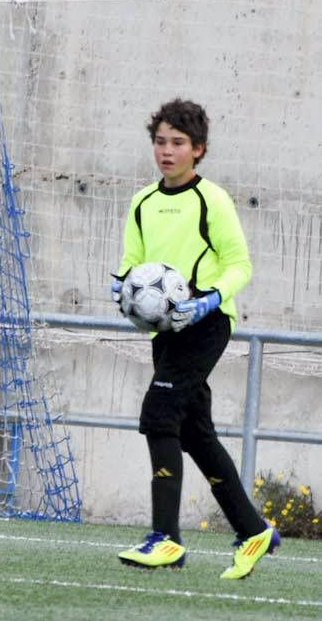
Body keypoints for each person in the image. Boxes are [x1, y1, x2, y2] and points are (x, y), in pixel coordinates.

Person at [111, 98, 279, 579]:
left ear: (198, 150)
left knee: (159, 414)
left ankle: (165, 539)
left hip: (206, 324)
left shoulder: (213, 200)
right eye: (160, 141)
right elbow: (132, 262)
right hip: (165, 331)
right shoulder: (143, 202)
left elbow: (240, 265)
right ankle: (253, 531)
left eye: (178, 143)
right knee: (194, 432)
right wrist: (122, 287)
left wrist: (208, 300)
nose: (167, 151)